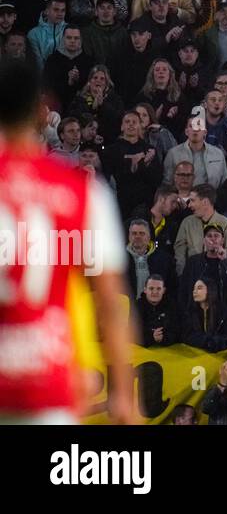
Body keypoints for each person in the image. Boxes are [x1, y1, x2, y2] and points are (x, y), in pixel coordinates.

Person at [0, 59, 134, 423]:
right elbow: (110, 303)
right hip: (49, 381)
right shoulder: (81, 192)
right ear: (40, 113)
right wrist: (122, 393)